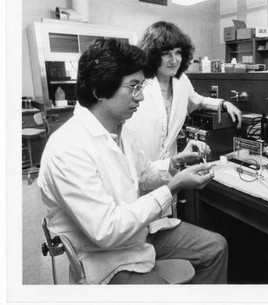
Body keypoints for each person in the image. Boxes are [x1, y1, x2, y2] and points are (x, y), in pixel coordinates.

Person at [38, 38, 228, 284]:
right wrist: (173, 187)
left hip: (137, 233)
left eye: (142, 86)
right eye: (133, 87)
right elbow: (106, 231)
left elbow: (143, 174)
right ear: (99, 91)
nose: (140, 97)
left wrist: (174, 164)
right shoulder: (68, 148)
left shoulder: (121, 129)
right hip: (104, 256)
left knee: (215, 247)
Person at [125, 21, 242, 227]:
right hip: (138, 167)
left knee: (167, 222)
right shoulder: (141, 85)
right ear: (153, 54)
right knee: (139, 225)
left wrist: (223, 104)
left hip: (167, 167)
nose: (174, 59)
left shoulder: (181, 81)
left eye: (178, 52)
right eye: (166, 53)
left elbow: (196, 99)